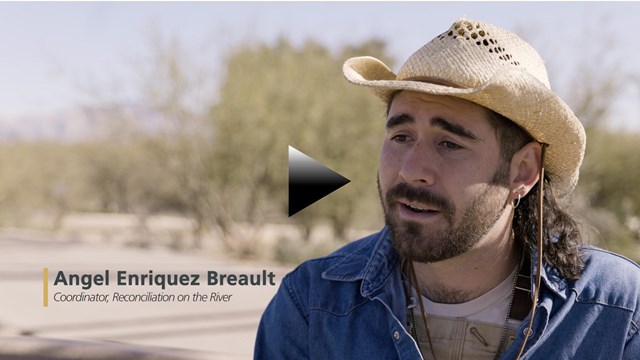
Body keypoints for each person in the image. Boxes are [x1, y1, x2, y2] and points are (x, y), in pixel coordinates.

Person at [254, 18, 640, 360]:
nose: (411, 170)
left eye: (449, 144)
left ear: (523, 170)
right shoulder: (311, 306)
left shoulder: (618, 312)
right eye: (401, 136)